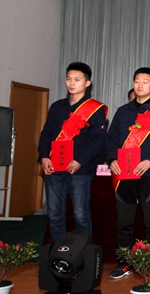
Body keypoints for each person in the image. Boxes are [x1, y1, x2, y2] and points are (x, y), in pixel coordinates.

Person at [105, 67, 150, 279]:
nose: (140, 85)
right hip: (124, 173)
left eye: (145, 82)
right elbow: (111, 140)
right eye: (137, 81)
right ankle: (125, 262)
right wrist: (112, 159)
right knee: (124, 220)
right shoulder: (123, 112)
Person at [37, 62, 107, 244]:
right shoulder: (57, 107)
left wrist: (80, 160)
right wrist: (44, 156)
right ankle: (57, 255)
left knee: (80, 215)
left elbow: (98, 140)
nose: (72, 83)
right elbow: (46, 133)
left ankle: (82, 255)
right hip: (54, 168)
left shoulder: (96, 109)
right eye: (68, 79)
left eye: (77, 79)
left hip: (80, 170)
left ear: (87, 83)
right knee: (55, 215)